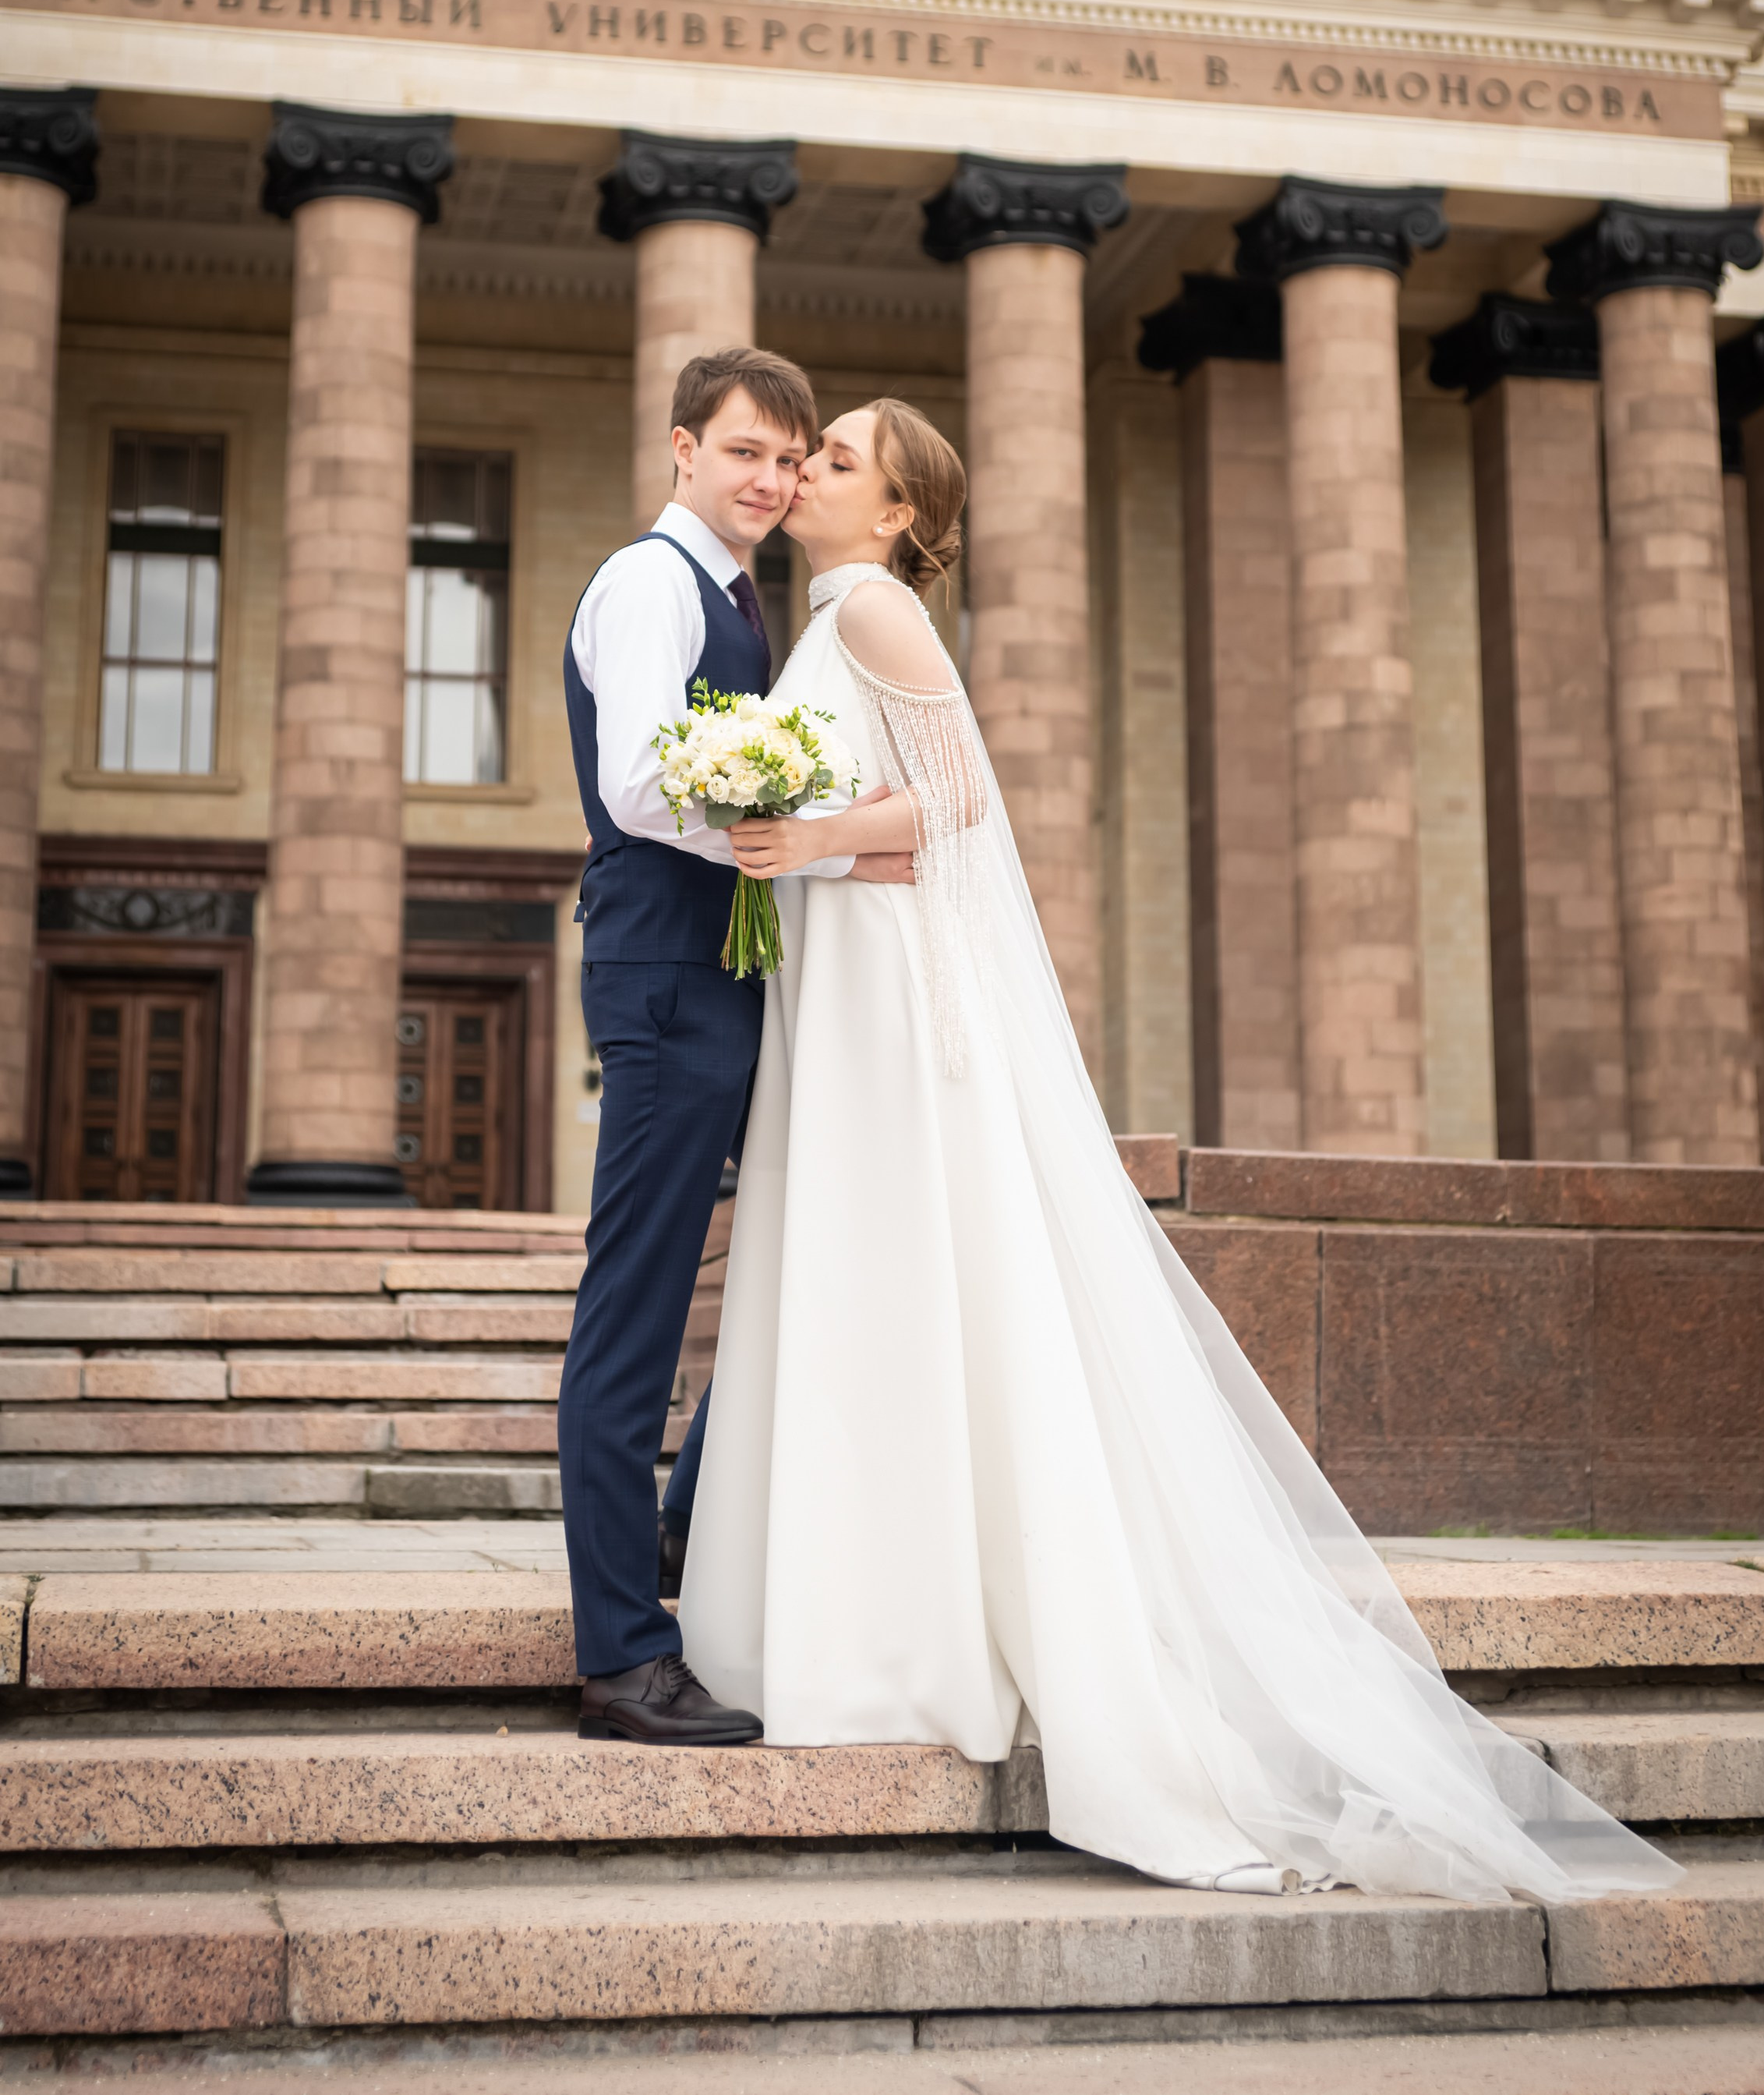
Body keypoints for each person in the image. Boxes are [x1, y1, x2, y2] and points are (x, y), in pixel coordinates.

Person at [677, 398, 1681, 1901]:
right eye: (805, 451)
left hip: (893, 1002)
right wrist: (801, 830)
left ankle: (904, 1642)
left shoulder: (876, 608)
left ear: (892, 512)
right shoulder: (827, 611)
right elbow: (892, 820)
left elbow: (958, 808)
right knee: (870, 1294)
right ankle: (872, 1615)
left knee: (896, 1282)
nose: (804, 467)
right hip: (847, 980)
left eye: (833, 458)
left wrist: (800, 837)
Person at [557, 346, 907, 1748]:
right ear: (683, 448)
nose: (770, 480)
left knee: (766, 1273)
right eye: (745, 451)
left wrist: (815, 850)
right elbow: (642, 784)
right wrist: (819, 856)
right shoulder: (651, 582)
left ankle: (679, 1549)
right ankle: (621, 1656)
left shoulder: (733, 594)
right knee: (635, 1309)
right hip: (665, 976)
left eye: (791, 456)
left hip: (722, 973)